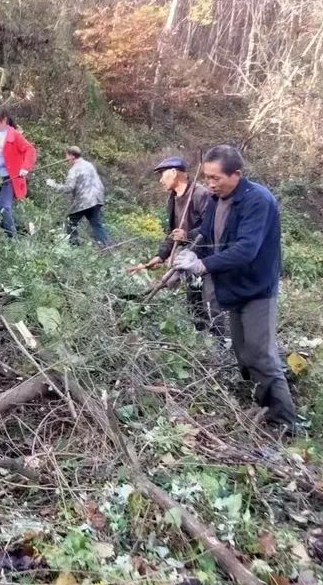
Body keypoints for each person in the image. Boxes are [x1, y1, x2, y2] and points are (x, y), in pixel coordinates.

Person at [171, 145, 297, 432]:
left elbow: (245, 249)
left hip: (256, 288)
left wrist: (202, 266)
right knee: (242, 348)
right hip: (233, 285)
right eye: (207, 177)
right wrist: (188, 255)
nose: (210, 184)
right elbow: (206, 232)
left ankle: (284, 419)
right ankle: (258, 399)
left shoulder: (257, 201)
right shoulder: (217, 198)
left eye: (216, 178)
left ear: (237, 174)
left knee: (261, 352)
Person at [126, 157, 215, 327]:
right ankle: (200, 333)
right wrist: (160, 256)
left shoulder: (200, 194)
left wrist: (188, 234)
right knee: (192, 298)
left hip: (205, 257)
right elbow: (173, 233)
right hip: (187, 256)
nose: (160, 180)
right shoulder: (173, 199)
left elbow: (212, 228)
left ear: (174, 173)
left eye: (162, 174)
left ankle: (214, 339)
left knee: (206, 300)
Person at [0, 109, 36, 237]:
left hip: (9, 178)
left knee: (4, 206)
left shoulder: (14, 135)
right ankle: (23, 231)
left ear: (4, 120)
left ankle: (14, 240)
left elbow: (30, 150)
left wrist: (25, 167)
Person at [45, 146, 110, 246]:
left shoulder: (74, 170)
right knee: (96, 224)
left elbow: (68, 188)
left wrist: (52, 184)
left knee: (71, 223)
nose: (66, 159)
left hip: (84, 201)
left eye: (67, 156)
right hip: (97, 199)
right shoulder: (89, 165)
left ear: (71, 156)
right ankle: (106, 246)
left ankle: (74, 246)